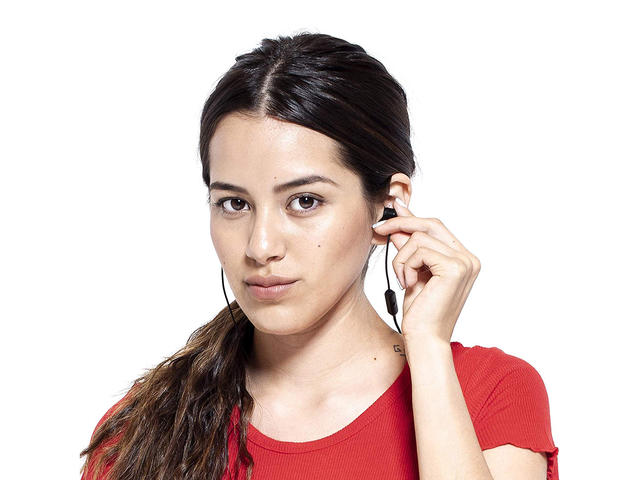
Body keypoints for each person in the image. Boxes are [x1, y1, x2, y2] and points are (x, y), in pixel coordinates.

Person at [79, 32, 559, 480]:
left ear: (388, 206)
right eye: (234, 204)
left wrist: (429, 348)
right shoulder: (143, 430)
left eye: (304, 201)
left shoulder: (489, 392)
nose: (260, 247)